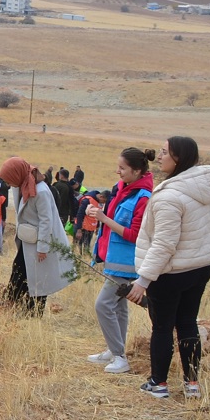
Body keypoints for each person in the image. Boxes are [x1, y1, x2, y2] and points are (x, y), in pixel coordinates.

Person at [127, 136, 210, 399]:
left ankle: (158, 384)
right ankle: (192, 384)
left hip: (171, 273)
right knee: (187, 324)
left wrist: (142, 281)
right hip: (200, 268)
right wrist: (198, 231)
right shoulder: (208, 185)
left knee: (162, 327)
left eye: (165, 152)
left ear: (179, 158)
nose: (159, 156)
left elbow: (164, 244)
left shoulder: (170, 196)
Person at [85, 148, 156, 376]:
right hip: (114, 258)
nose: (118, 172)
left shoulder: (143, 197)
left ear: (137, 171)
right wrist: (98, 212)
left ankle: (119, 356)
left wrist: (105, 218)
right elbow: (114, 218)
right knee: (119, 306)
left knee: (103, 305)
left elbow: (135, 234)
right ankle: (115, 349)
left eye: (123, 168)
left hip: (127, 262)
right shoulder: (124, 190)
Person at [0, 156, 74, 316]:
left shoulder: (41, 192)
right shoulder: (23, 185)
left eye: (9, 179)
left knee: (39, 279)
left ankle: (33, 313)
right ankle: (13, 305)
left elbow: (47, 221)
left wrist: (42, 247)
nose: (8, 184)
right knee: (19, 271)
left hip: (39, 244)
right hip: (28, 242)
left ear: (16, 174)